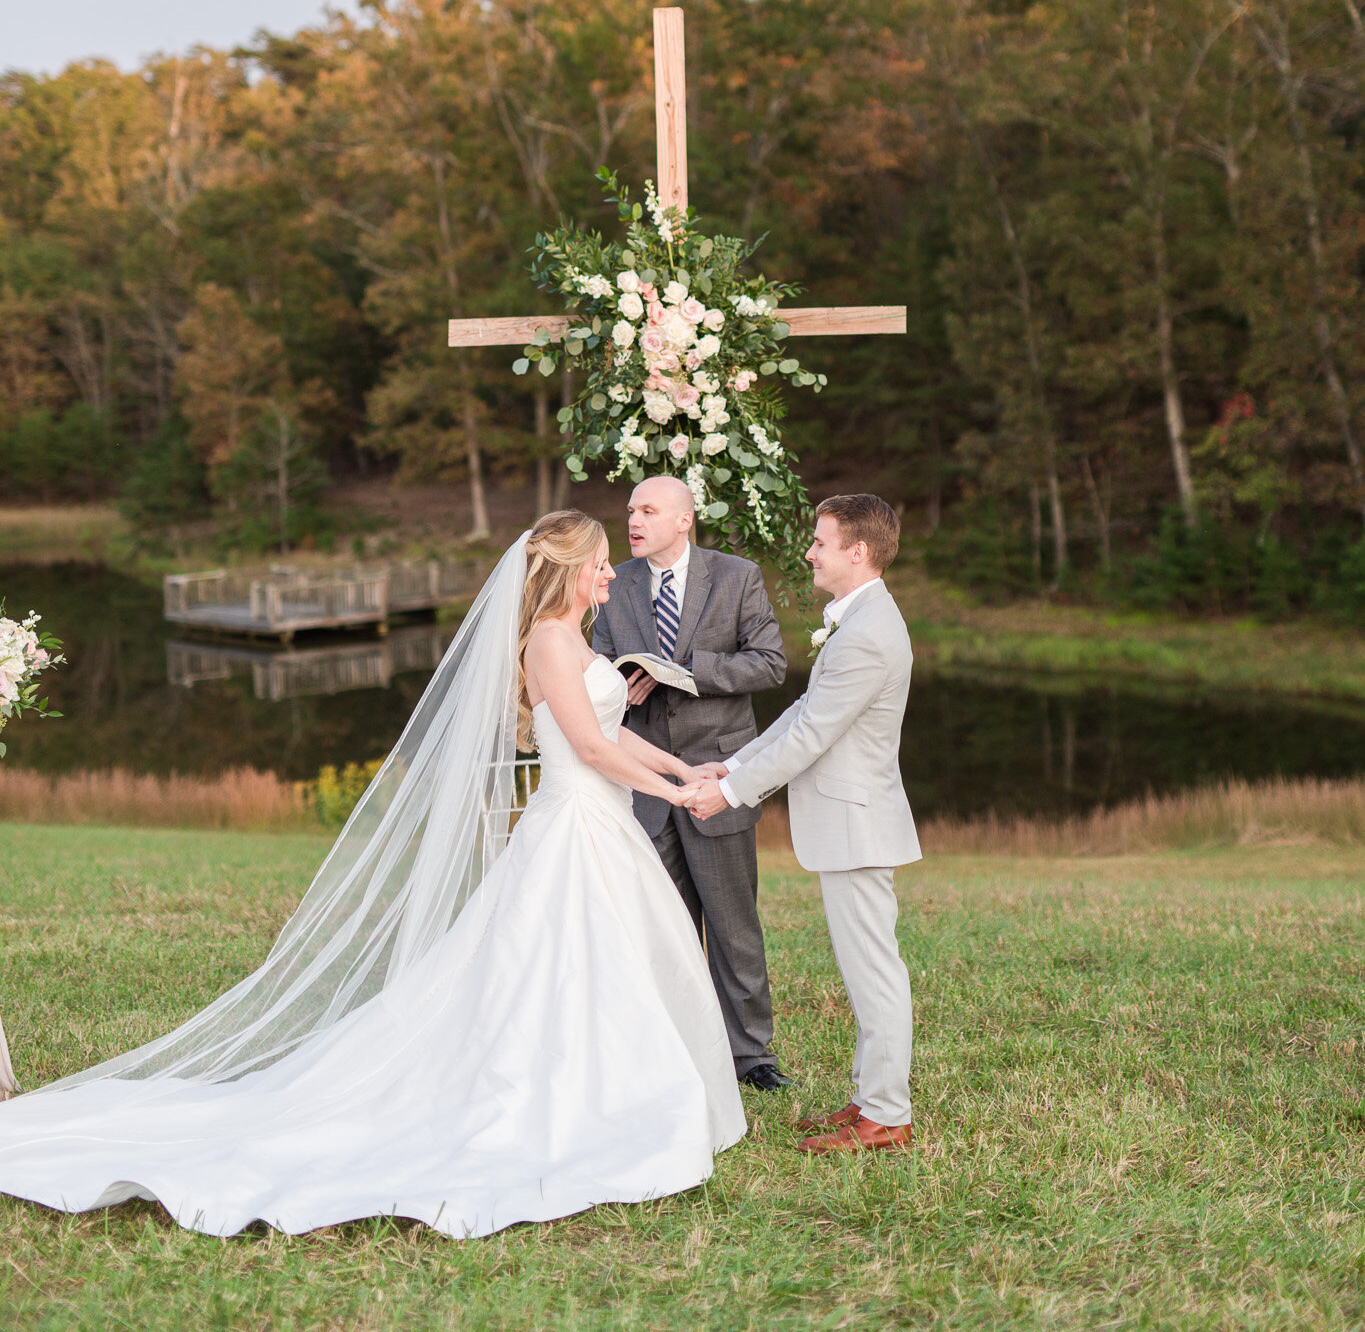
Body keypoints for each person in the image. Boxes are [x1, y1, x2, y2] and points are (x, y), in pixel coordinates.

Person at [0, 513, 746, 1237]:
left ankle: (616, 1094)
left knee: (603, 969)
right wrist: (677, 795)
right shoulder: (549, 643)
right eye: (601, 562)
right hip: (573, 825)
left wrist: (684, 765)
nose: (611, 573)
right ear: (570, 571)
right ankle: (569, 1104)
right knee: (553, 971)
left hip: (600, 824)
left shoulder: (573, 640)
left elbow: (614, 736)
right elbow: (587, 748)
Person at [687, 494, 919, 1153]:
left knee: (873, 973)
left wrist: (729, 794)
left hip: (857, 824)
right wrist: (726, 767)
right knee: (864, 971)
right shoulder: (859, 619)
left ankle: (885, 1118)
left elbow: (812, 735)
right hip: (851, 823)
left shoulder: (868, 633)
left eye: (820, 542)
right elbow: (799, 718)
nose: (809, 552)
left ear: (857, 552)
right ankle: (867, 1102)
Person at [592, 474, 790, 1090]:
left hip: (718, 772)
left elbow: (771, 663)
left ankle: (751, 1055)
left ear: (684, 519)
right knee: (666, 926)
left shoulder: (735, 576)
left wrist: (685, 670)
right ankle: (677, 1045)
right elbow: (596, 667)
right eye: (630, 510)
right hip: (648, 782)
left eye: (648, 510)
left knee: (733, 925)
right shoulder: (615, 585)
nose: (634, 520)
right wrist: (616, 688)